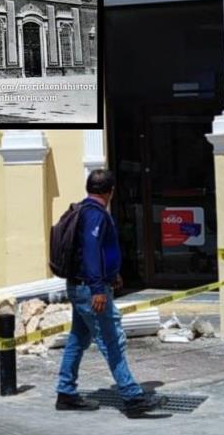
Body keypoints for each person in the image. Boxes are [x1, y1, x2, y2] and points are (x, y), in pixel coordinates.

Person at [55, 169, 166, 415]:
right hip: (89, 289)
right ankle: (132, 397)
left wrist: (112, 274)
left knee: (77, 339)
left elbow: (94, 251)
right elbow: (92, 250)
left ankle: (65, 392)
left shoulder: (82, 210)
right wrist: (97, 288)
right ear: (110, 191)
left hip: (79, 285)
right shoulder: (95, 215)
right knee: (111, 340)